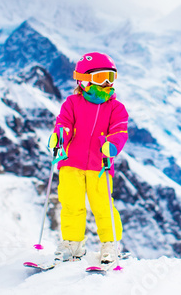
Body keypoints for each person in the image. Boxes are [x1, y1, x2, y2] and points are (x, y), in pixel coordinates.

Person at [49, 52, 128, 264]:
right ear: (83, 80)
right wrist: (59, 137)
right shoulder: (72, 103)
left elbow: (120, 131)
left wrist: (112, 146)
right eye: (101, 77)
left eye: (110, 78)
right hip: (71, 163)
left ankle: (110, 245)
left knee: (103, 206)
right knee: (71, 204)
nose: (107, 84)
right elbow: (64, 123)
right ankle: (72, 245)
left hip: (99, 165)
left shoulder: (116, 108)